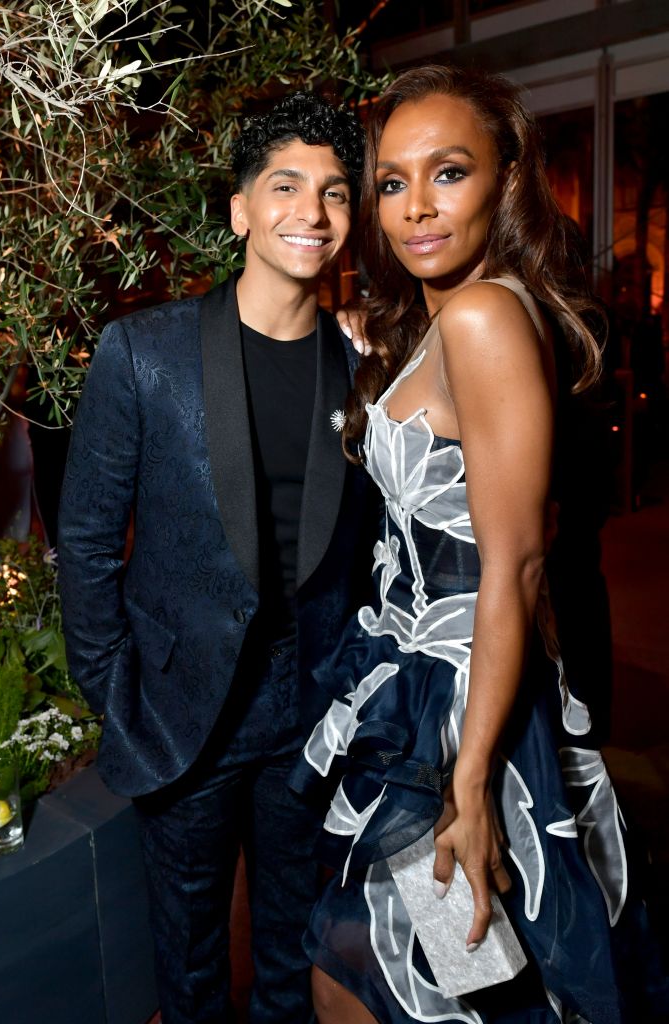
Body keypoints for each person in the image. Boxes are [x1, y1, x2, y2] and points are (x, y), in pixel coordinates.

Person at [290, 66, 669, 1023]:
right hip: (419, 691)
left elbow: (518, 564)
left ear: (505, 180)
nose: (414, 206)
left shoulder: (480, 315)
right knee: (379, 973)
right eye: (390, 182)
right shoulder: (443, 316)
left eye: (447, 173)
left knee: (420, 980)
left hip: (458, 715)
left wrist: (468, 783)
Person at [57, 92, 375, 1024]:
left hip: (309, 715)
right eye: (285, 186)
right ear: (239, 209)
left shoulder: (366, 368)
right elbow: (83, 541)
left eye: (334, 193)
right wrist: (113, 690)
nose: (311, 213)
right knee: (190, 969)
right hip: (179, 711)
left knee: (293, 950)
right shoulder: (141, 354)